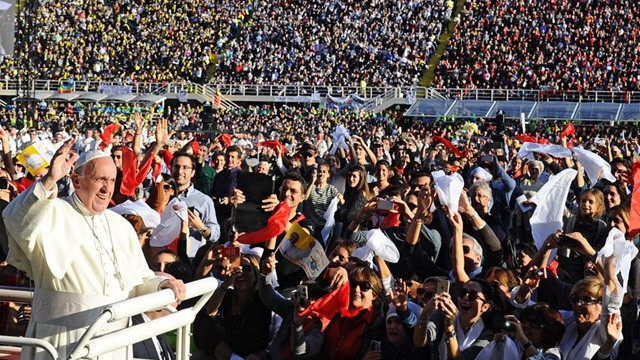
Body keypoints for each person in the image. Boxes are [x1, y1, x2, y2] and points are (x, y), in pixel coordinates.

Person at [3, 142, 185, 360]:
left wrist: (161, 283)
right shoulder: (52, 211)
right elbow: (15, 220)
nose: (107, 188)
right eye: (100, 179)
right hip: (64, 340)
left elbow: (137, 280)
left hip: (115, 342)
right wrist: (49, 180)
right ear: (77, 181)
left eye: (111, 181)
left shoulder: (121, 225)